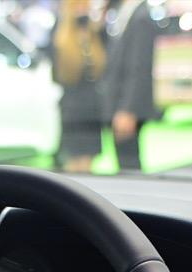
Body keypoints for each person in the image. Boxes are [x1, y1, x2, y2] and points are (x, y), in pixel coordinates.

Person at [51, 0, 107, 173]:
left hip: (92, 107)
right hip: (72, 108)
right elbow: (57, 75)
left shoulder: (96, 35)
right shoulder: (60, 37)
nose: (81, 10)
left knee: (89, 160)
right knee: (73, 161)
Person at [101, 0, 157, 172]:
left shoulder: (141, 17)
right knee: (124, 161)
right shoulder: (126, 12)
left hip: (125, 108)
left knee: (129, 164)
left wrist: (128, 109)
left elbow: (139, 67)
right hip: (118, 104)